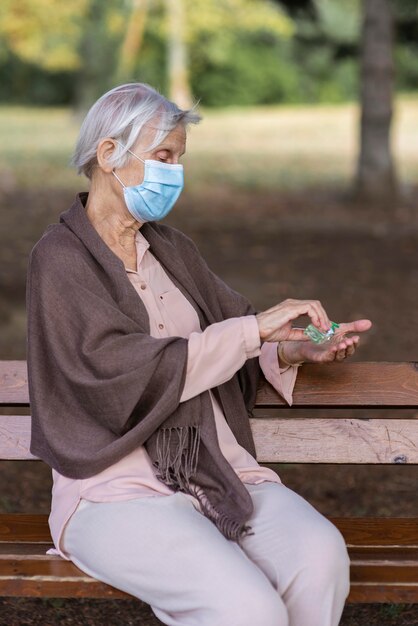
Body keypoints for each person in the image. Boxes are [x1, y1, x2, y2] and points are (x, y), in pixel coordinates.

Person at [27, 83, 372, 626]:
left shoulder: (172, 250)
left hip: (215, 472)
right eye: (163, 155)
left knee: (319, 556)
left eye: (181, 158)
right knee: (245, 609)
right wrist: (251, 331)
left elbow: (232, 349)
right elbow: (120, 370)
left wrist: (297, 351)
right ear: (108, 154)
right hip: (114, 493)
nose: (175, 172)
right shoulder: (60, 259)